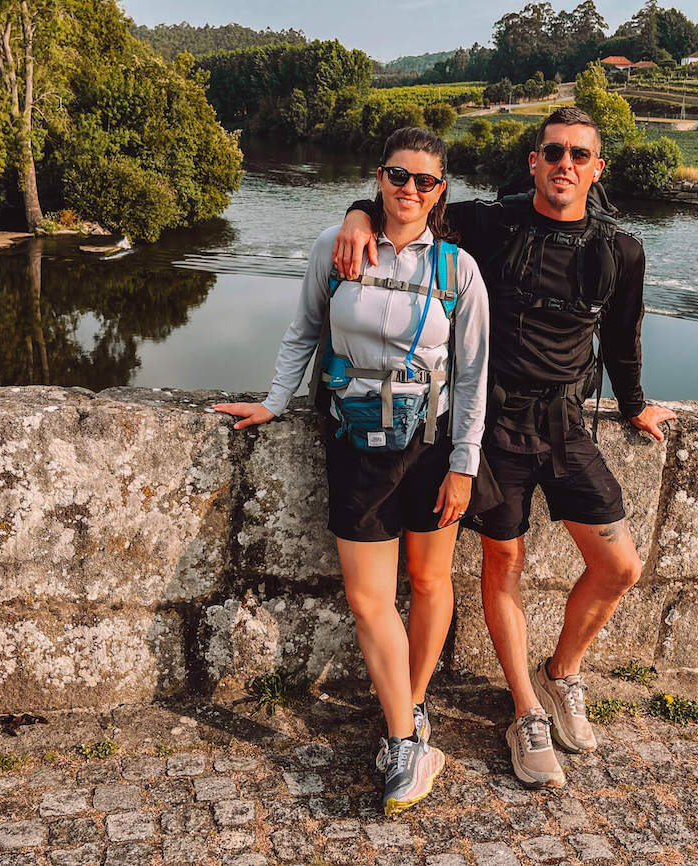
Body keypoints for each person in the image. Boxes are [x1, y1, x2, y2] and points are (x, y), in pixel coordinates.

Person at [333, 107, 676, 789]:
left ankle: (562, 675)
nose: (565, 166)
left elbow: (623, 339)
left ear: (596, 168)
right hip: (494, 425)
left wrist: (634, 406)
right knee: (504, 561)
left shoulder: (621, 249)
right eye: (554, 153)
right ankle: (525, 710)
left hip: (566, 422)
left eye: (580, 156)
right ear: (534, 161)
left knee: (619, 565)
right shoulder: (493, 222)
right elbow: (412, 204)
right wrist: (357, 215)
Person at [213, 127, 491, 815]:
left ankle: (412, 704)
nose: (410, 190)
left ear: (440, 191)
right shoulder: (337, 250)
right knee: (370, 598)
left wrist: (464, 465)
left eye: (425, 181)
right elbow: (305, 330)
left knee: (428, 581)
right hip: (355, 441)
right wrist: (275, 401)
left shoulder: (458, 270)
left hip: (430, 445)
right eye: (399, 176)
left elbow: (477, 376)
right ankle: (404, 740)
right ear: (380, 178)